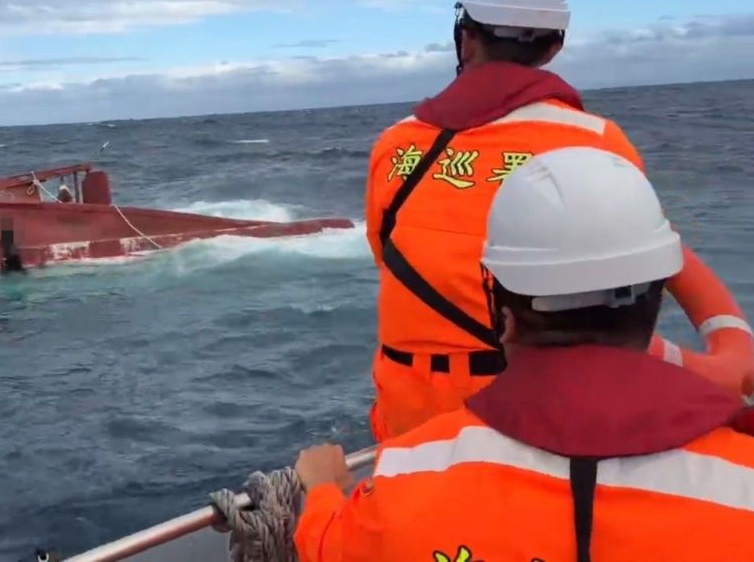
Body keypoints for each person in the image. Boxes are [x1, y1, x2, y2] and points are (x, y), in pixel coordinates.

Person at [294, 147, 754, 561]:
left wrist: (322, 489)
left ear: (505, 316)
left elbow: (329, 544)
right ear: (656, 303)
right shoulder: (742, 477)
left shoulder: (404, 476)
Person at [364, 0, 653, 442]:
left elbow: (386, 253)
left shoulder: (395, 143)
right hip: (536, 405)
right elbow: (630, 282)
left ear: (466, 39)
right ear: (554, 47)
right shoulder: (598, 140)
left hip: (409, 409)